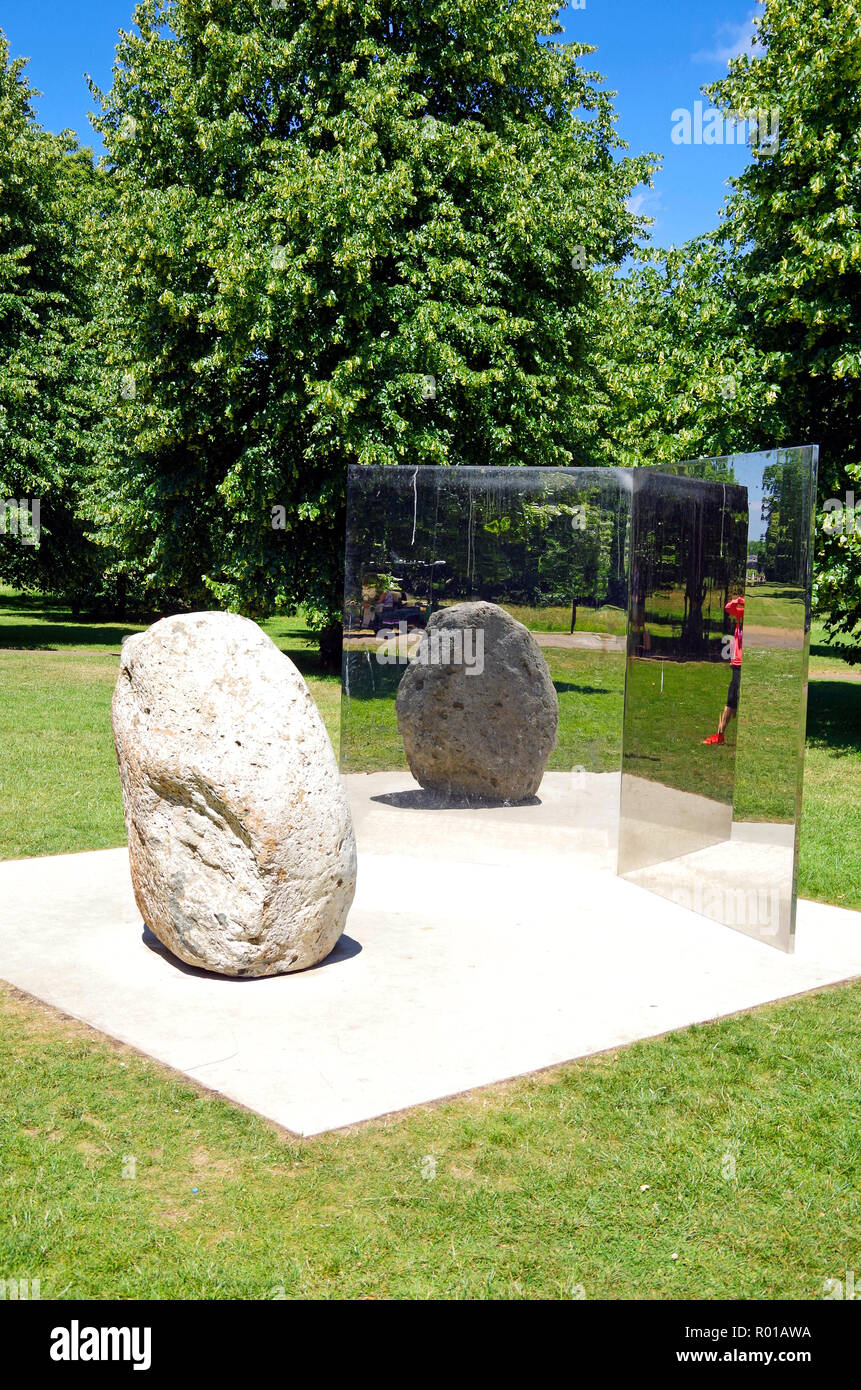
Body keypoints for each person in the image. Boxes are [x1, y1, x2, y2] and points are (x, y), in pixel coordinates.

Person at [703, 595, 745, 746]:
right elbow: (728, 608)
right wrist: (739, 601)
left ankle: (721, 734)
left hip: (744, 666)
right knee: (732, 700)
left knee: (733, 700)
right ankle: (720, 734)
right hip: (736, 665)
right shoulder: (741, 616)